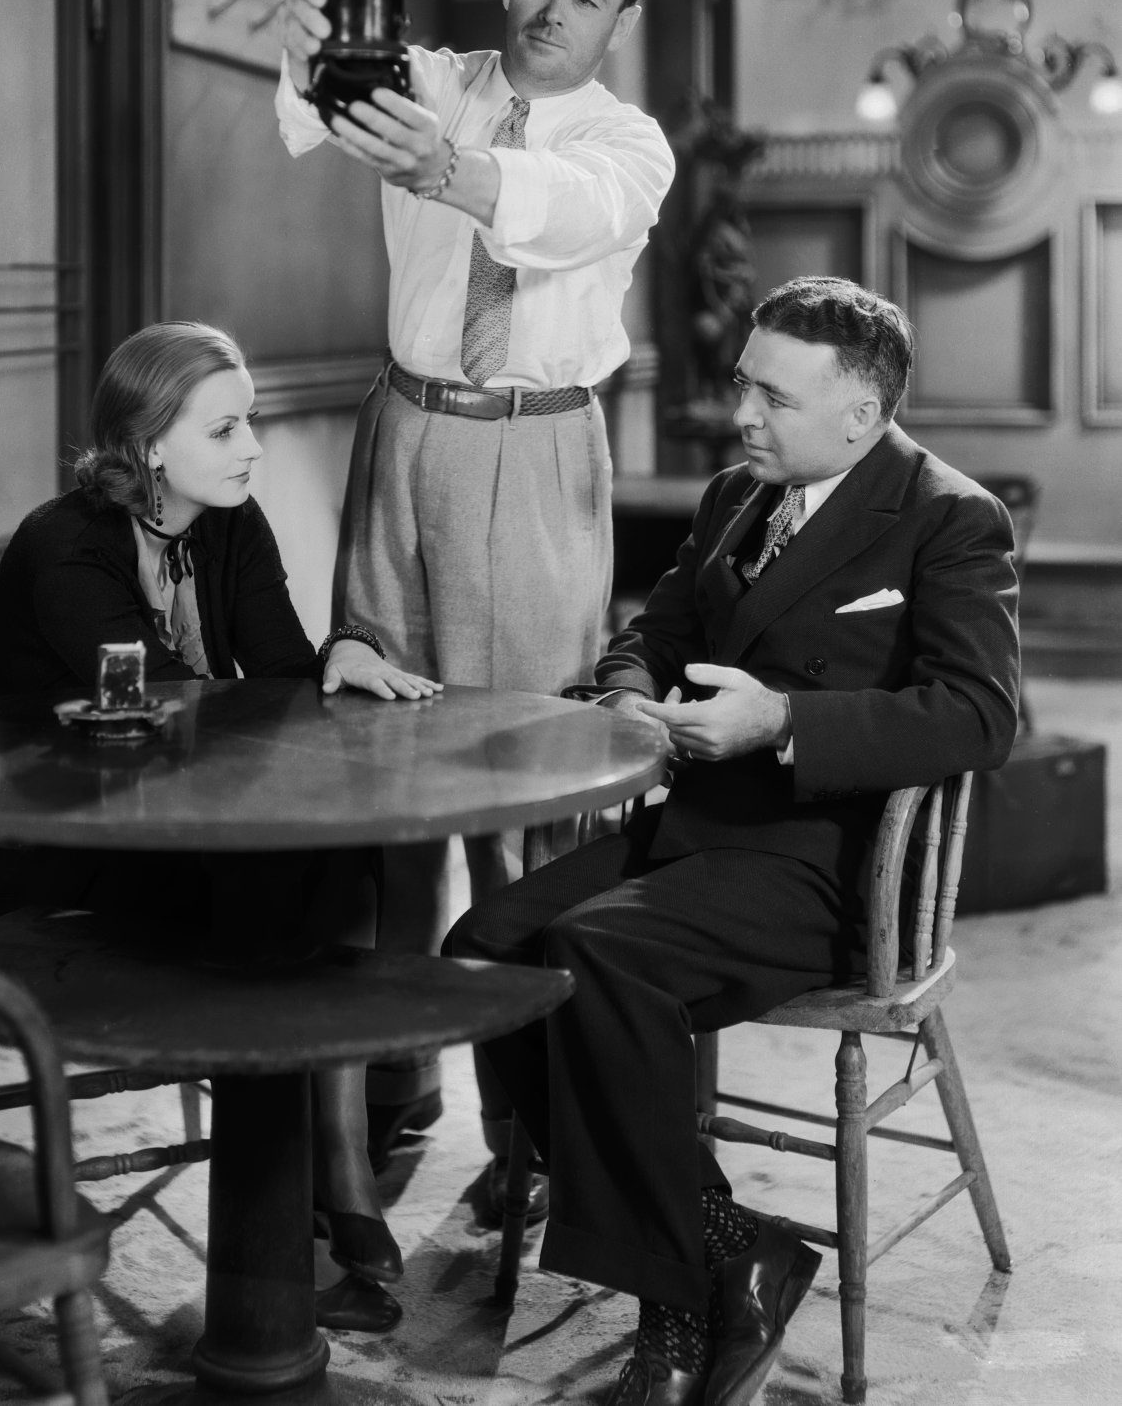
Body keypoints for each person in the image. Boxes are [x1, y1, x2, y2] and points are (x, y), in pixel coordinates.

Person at [446, 276, 1021, 1406]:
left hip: (834, 862)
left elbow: (978, 715)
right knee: (485, 949)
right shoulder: (736, 496)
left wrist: (785, 721)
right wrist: (626, 696)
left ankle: (671, 1309)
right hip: (696, 828)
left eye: (773, 397)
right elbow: (650, 633)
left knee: (599, 957)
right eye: (742, 384)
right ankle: (725, 1244)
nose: (741, 414)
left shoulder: (950, 516)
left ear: (860, 414)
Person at [276, 0, 676, 1194]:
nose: (554, 10)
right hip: (403, 431)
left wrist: (450, 171)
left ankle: (531, 1126)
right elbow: (317, 104)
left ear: (619, 20)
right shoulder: (434, 80)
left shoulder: (628, 143)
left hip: (534, 447)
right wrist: (313, 38)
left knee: (526, 788)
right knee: (383, 768)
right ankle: (393, 1077)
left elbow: (561, 209)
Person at [0, 320, 440, 1337]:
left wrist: (341, 652)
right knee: (282, 888)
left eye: (249, 422)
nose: (253, 448)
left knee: (331, 853)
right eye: (224, 429)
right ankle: (318, 1196)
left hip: (178, 824)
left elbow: (276, 677)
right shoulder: (65, 548)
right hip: (58, 849)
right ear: (148, 446)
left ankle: (323, 1170)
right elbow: (176, 716)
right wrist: (281, 692)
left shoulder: (228, 520)